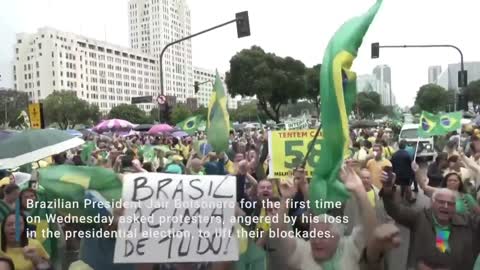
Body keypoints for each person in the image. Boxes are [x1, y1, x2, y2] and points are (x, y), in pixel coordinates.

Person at [268, 163, 395, 270]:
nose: (317, 241)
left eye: (324, 236)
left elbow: (371, 233)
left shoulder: (350, 249)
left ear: (339, 238)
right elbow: (278, 235)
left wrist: (359, 190)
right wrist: (286, 199)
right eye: (314, 235)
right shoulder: (302, 252)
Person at [380, 171, 478, 269]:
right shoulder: (420, 217)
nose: (445, 206)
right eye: (441, 202)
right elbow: (396, 211)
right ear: (433, 202)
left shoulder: (467, 222)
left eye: (450, 203)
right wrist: (388, 190)